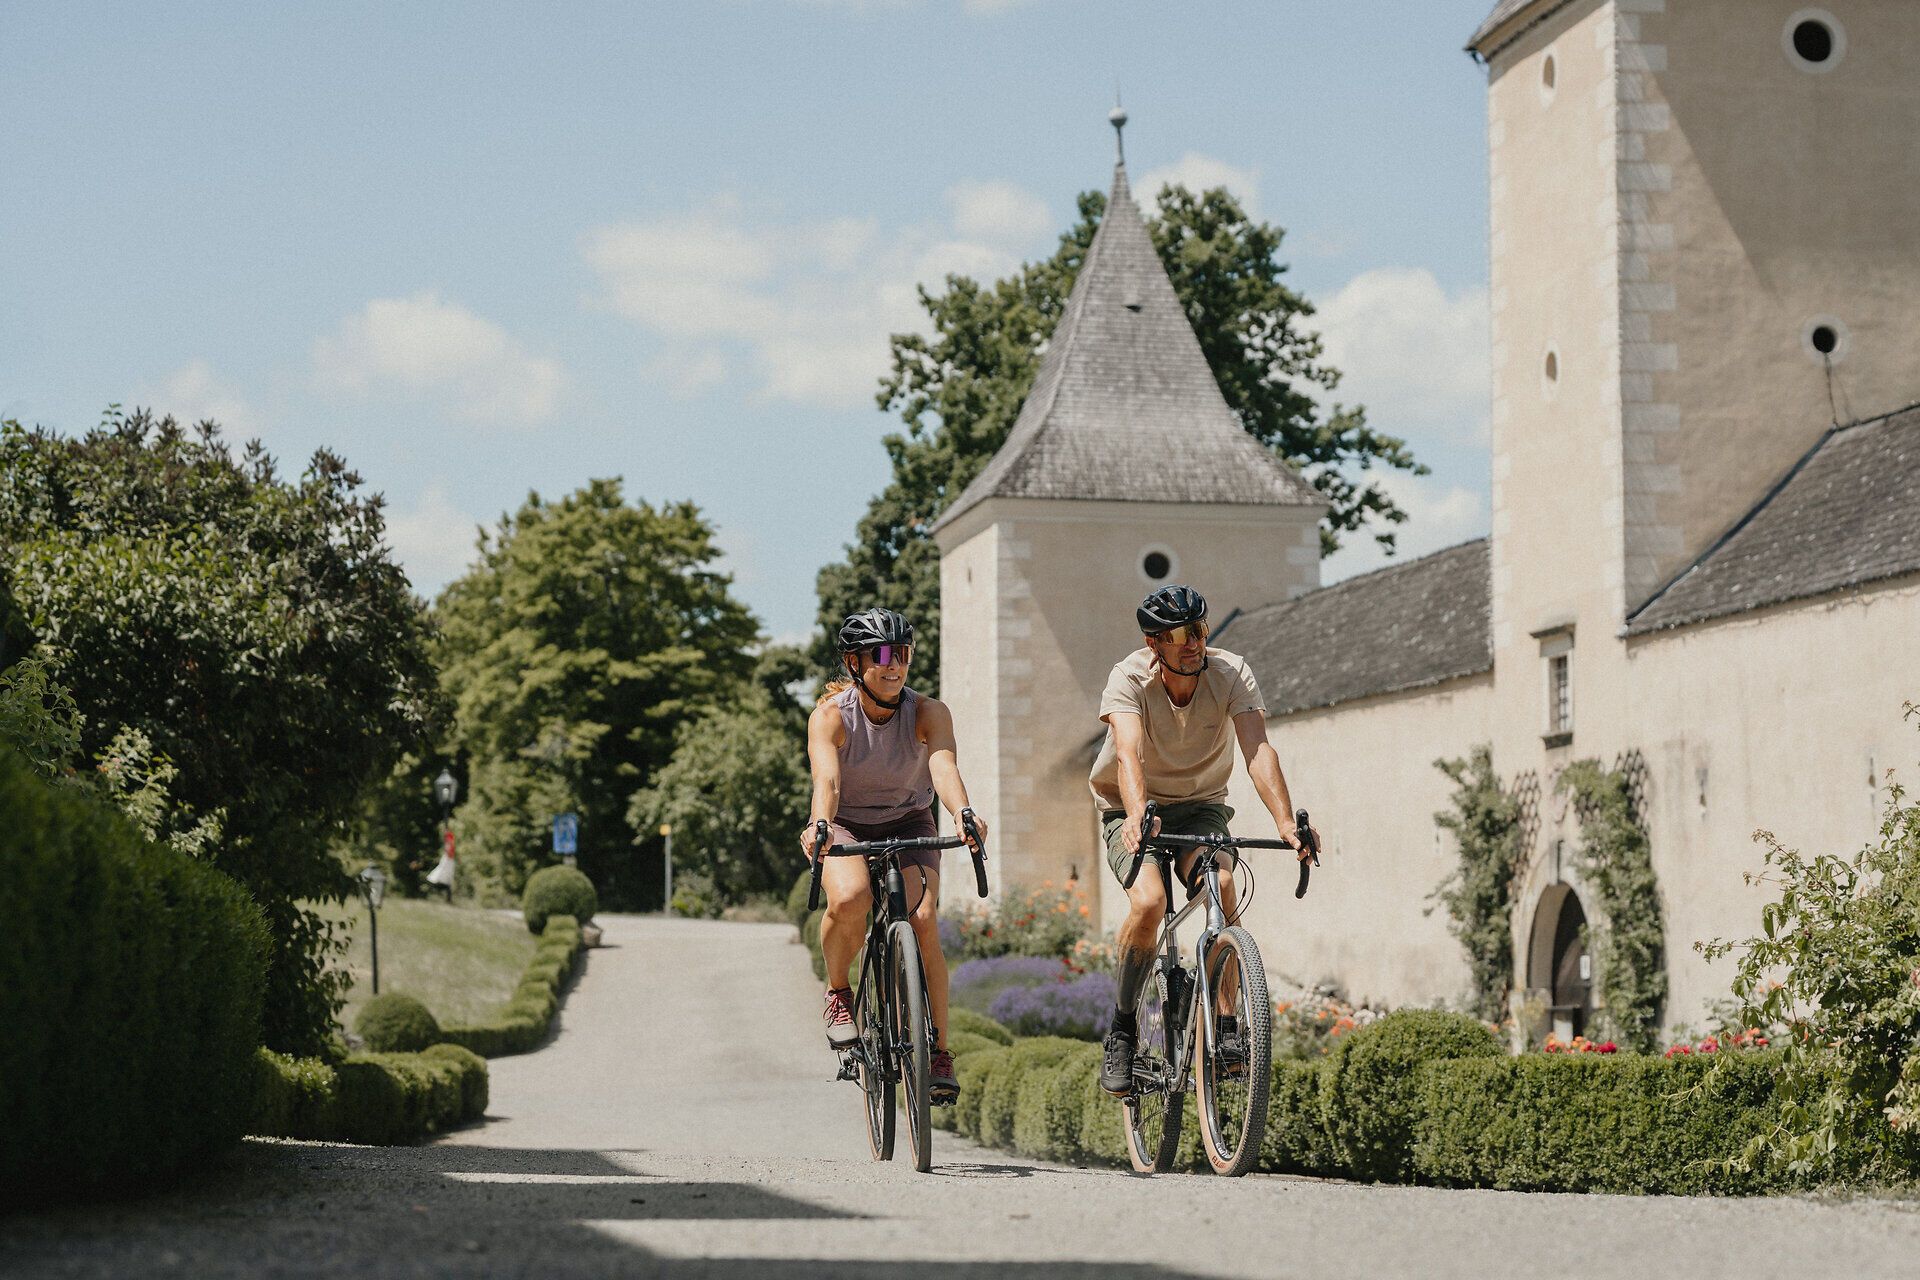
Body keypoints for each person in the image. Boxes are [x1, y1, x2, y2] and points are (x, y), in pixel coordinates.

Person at [1089, 584, 1311, 1096]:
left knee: (1224, 884)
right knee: (1148, 903)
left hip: (1201, 805)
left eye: (1200, 630)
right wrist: (1139, 813)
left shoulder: (1231, 672)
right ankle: (1123, 1028)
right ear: (1154, 643)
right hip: (1129, 804)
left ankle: (1227, 1025)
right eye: (1180, 635)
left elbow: (1257, 750)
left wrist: (1284, 822)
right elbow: (1128, 754)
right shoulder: (1128, 678)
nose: (1194, 643)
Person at [803, 607, 987, 1102]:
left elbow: (943, 767)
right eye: (881, 655)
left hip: (909, 820)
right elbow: (828, 780)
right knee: (849, 899)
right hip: (846, 821)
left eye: (901, 654)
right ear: (854, 662)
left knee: (923, 918)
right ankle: (839, 991)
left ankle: (941, 1051)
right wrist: (820, 823)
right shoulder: (830, 717)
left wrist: (963, 813)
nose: (894, 665)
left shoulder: (929, 712)